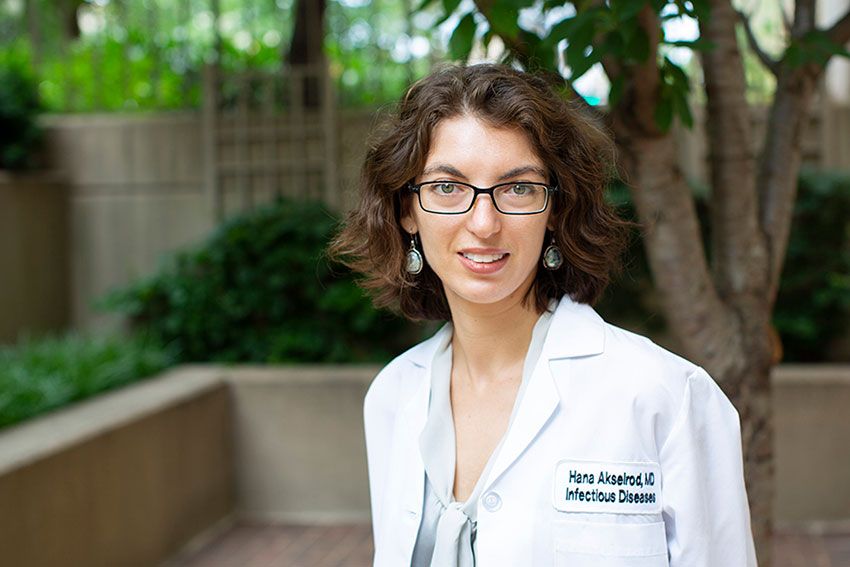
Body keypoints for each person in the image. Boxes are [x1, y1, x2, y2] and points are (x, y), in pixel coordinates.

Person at [330, 63, 757, 567]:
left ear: (555, 208)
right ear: (407, 211)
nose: (483, 223)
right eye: (448, 188)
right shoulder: (392, 396)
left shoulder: (666, 396)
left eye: (518, 188)